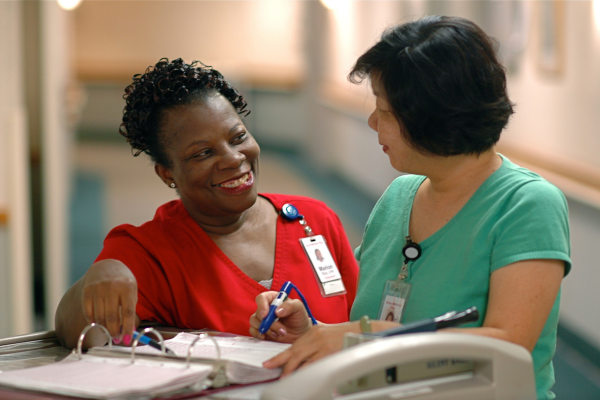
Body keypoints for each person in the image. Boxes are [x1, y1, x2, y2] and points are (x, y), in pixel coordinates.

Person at [249, 16, 570, 400]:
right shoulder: (400, 195)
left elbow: (507, 348)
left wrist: (356, 338)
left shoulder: (526, 204)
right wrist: (311, 331)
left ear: (432, 118)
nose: (371, 122)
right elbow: (364, 321)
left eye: (384, 112)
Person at [54, 58, 358, 350]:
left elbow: (363, 325)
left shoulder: (314, 219)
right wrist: (96, 277)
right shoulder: (150, 251)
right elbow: (72, 330)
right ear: (167, 173)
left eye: (238, 137)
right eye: (203, 154)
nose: (234, 158)